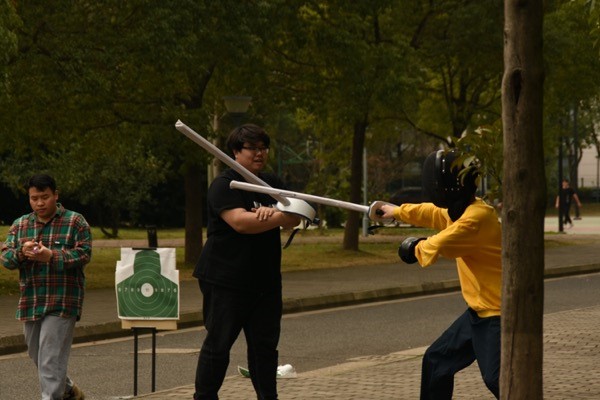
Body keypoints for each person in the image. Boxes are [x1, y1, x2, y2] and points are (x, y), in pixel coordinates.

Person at [377, 149, 502, 399]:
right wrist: (397, 211)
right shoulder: (466, 209)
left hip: (498, 317)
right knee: (436, 362)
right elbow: (433, 213)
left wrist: (414, 247)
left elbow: (438, 243)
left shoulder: (475, 219)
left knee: (499, 380)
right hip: (478, 314)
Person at [193, 124, 302, 400]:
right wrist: (276, 214)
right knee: (218, 345)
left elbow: (297, 216)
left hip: (265, 282)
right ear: (235, 152)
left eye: (264, 148)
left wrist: (273, 212)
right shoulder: (223, 184)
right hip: (226, 280)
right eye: (252, 148)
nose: (260, 154)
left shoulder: (272, 184)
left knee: (265, 349)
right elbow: (241, 222)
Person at [1, 174, 92, 400]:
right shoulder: (20, 224)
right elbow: (6, 258)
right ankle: (68, 390)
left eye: (45, 197)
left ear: (56, 195)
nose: (40, 203)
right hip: (31, 300)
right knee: (37, 355)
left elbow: (84, 254)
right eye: (34, 198)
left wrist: (51, 255)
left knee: (50, 359)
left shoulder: (75, 222)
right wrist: (23, 252)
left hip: (63, 300)